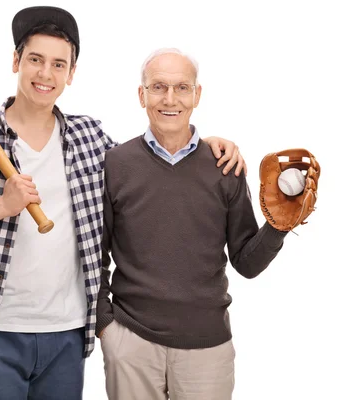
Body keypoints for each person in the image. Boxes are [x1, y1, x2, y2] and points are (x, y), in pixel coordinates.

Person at [0, 6, 246, 400]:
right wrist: (0, 208)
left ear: (71, 74)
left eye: (59, 64)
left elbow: (152, 164)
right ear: (16, 61)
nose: (45, 74)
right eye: (35, 60)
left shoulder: (90, 139)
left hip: (68, 337)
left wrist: (204, 147)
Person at [96, 47, 290, 400]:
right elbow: (95, 255)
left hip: (208, 348)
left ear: (197, 95)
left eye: (182, 87)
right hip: (130, 342)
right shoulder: (115, 164)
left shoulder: (225, 167)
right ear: (141, 95)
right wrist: (104, 325)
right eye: (158, 87)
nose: (170, 99)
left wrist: (277, 227)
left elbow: (245, 263)